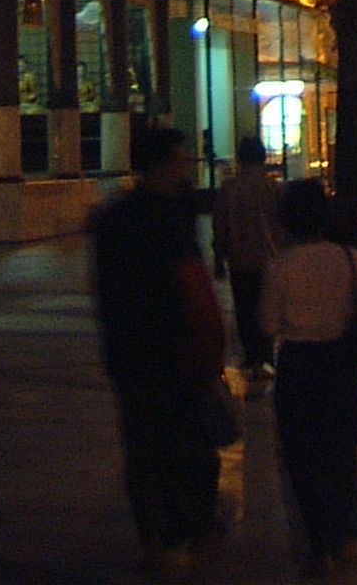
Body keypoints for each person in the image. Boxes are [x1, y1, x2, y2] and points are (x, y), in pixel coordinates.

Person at [91, 126, 225, 575]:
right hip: (175, 353)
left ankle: (157, 538)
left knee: (144, 450)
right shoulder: (170, 221)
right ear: (163, 167)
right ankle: (187, 529)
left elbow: (105, 293)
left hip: (131, 356)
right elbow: (193, 289)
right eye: (179, 164)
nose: (184, 172)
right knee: (186, 445)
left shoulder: (112, 220)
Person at [261, 177, 357, 577]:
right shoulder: (348, 258)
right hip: (341, 364)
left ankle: (319, 545)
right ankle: (345, 533)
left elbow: (268, 324)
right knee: (340, 453)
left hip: (299, 366)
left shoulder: (280, 266)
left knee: (303, 459)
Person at [213, 134, 284, 385]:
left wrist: (219, 256)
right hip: (268, 258)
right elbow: (281, 225)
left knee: (244, 309)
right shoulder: (273, 187)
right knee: (267, 307)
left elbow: (220, 225)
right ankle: (266, 355)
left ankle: (251, 357)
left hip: (239, 258)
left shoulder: (229, 189)